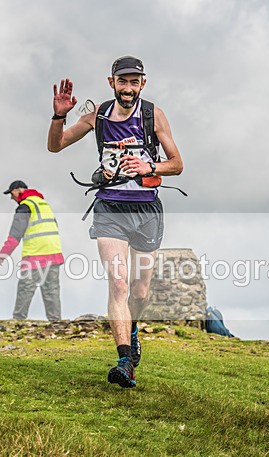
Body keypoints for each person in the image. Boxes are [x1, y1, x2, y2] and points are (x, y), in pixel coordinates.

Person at [47, 56, 184, 388]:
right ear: (112, 83)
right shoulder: (98, 116)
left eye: (134, 82)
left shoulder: (153, 115)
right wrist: (59, 116)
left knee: (140, 290)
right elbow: (55, 146)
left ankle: (132, 330)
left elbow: (177, 164)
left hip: (147, 211)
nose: (128, 88)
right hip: (110, 208)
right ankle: (124, 361)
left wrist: (149, 168)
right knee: (119, 284)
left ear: (143, 84)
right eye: (122, 81)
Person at [0, 180, 64, 321]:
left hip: (35, 253)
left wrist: (4, 253)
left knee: (25, 288)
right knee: (51, 291)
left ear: (18, 190)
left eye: (11, 193)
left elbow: (16, 233)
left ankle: (18, 320)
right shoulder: (44, 204)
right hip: (54, 252)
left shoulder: (25, 206)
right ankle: (56, 322)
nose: (11, 198)